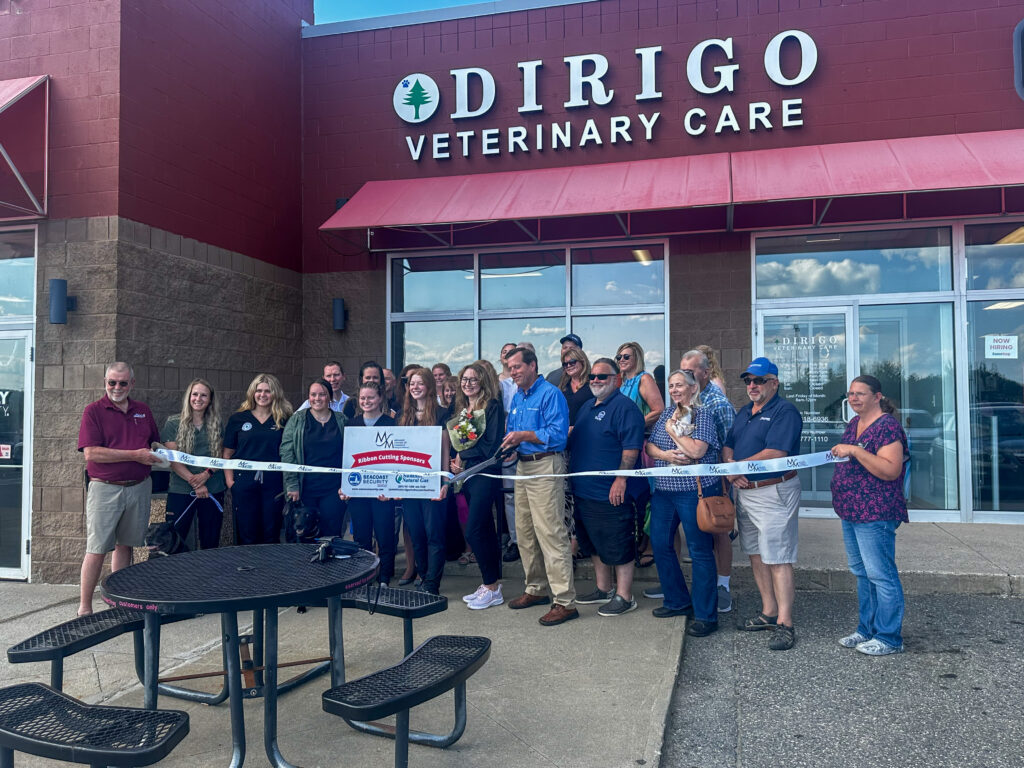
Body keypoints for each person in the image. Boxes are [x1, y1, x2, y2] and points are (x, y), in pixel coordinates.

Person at [723, 357, 803, 651]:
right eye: (748, 381)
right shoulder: (745, 412)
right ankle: (769, 612)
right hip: (746, 492)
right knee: (756, 554)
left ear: (774, 383)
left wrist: (737, 467)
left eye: (759, 380)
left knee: (778, 557)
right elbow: (728, 444)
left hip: (774, 491)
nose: (752, 386)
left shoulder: (785, 411)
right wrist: (731, 468)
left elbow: (776, 452)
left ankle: (785, 623)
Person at [830, 375, 909, 656]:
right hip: (851, 511)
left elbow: (890, 470)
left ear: (877, 397)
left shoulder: (887, 426)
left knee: (881, 574)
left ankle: (889, 637)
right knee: (863, 574)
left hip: (875, 512)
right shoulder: (854, 424)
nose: (853, 398)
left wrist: (854, 450)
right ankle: (867, 629)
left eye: (860, 394)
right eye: (850, 394)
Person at [76, 362, 161, 616]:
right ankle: (85, 608)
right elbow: (91, 453)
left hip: (139, 488)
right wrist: (135, 455)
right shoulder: (93, 411)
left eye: (123, 383)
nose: (117, 387)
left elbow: (153, 443)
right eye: (112, 382)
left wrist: (165, 451)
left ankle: (120, 602)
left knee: (126, 545)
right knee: (97, 548)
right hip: (105, 489)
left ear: (131, 384)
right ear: (105, 382)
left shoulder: (143, 410)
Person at [501, 346, 577, 626]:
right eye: (510, 368)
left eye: (517, 367)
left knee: (550, 532)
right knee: (524, 531)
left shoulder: (551, 394)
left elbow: (558, 435)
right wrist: (511, 448)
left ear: (532, 365)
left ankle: (565, 601)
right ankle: (535, 588)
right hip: (523, 465)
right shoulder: (518, 397)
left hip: (546, 464)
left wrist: (524, 435)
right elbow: (514, 433)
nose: (513, 372)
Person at [645, 370, 723, 636]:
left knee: (699, 550)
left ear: (693, 388)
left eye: (679, 385)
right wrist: (665, 454)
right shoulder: (666, 414)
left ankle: (706, 615)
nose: (674, 390)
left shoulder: (703, 415)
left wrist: (673, 433)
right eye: (670, 386)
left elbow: (697, 450)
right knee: (660, 544)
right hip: (664, 492)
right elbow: (650, 447)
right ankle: (677, 601)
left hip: (694, 492)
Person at [568, 358, 645, 616]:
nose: (596, 381)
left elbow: (631, 448)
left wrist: (621, 479)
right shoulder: (587, 407)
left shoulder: (625, 407)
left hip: (611, 491)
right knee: (593, 542)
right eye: (592, 376)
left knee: (618, 543)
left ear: (616, 379)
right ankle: (604, 588)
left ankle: (625, 596)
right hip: (583, 490)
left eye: (602, 376)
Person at [680, 348, 737, 613]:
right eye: (682, 370)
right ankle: (699, 587)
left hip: (715, 481)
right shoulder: (686, 400)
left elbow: (730, 443)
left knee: (719, 531)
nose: (685, 376)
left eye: (690, 371)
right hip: (688, 483)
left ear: (706, 372)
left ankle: (723, 585)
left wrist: (727, 481)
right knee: (699, 535)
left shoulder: (718, 403)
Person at [449, 362, 506, 609]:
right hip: (469, 476)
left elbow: (491, 446)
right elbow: (461, 443)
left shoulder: (492, 406)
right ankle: (491, 585)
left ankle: (491, 586)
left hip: (486, 474)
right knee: (485, 530)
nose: (468, 383)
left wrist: (462, 456)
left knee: (473, 531)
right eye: (465, 379)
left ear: (482, 381)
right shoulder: (463, 409)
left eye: (473, 379)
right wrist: (457, 461)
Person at [397, 367, 451, 595]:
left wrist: (445, 482)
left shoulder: (442, 414)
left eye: (419, 383)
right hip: (409, 486)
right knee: (416, 534)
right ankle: (423, 574)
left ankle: (432, 584)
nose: (415, 387)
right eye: (411, 383)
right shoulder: (404, 416)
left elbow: (445, 452)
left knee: (434, 535)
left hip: (433, 484)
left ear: (428, 386)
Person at [224, 373, 293, 545]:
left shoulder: (284, 419)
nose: (262, 395)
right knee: (247, 533)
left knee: (271, 532)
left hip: (274, 483)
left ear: (275, 393)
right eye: (259, 390)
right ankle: (248, 563)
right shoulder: (238, 419)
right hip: (244, 482)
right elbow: (227, 454)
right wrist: (231, 482)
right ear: (252, 393)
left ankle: (268, 563)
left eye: (267, 391)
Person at [341, 382, 398, 585]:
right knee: (361, 538)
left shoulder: (391, 424)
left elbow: (395, 459)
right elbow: (345, 458)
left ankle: (385, 576)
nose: (366, 401)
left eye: (371, 397)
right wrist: (345, 486)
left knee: (385, 536)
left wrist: (392, 488)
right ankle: (364, 577)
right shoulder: (351, 424)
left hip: (383, 492)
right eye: (363, 398)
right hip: (358, 491)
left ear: (380, 398)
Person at [161, 378, 226, 550]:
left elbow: (220, 455)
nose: (198, 398)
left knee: (210, 541)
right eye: (195, 394)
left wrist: (206, 475)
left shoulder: (217, 423)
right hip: (181, 489)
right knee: (174, 539)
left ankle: (207, 568)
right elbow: (173, 459)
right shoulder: (173, 422)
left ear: (210, 399)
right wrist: (196, 483)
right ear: (189, 397)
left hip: (213, 487)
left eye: (204, 395)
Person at [281, 378, 348, 538]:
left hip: (334, 488)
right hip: (305, 488)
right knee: (305, 534)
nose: (317, 398)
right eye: (313, 394)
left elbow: (351, 451)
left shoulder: (342, 420)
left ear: (330, 397)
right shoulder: (297, 419)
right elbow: (287, 451)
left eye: (322, 394)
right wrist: (292, 484)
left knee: (331, 533)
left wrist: (349, 484)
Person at [616, 341, 665, 432]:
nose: (621, 360)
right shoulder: (623, 383)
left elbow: (659, 411)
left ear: (637, 359)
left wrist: (634, 425)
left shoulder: (644, 379)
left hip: (640, 436)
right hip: (623, 435)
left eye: (626, 357)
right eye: (619, 357)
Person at [558, 345, 593, 427]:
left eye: (572, 362)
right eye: (565, 364)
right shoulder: (562, 387)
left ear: (582, 362)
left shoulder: (593, 384)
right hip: (565, 433)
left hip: (587, 431)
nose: (568, 366)